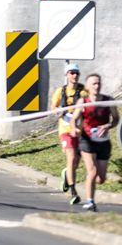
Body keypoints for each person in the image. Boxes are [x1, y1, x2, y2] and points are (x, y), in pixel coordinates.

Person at [70, 73, 119, 212]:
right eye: (93, 84)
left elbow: (116, 119)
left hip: (103, 142)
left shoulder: (108, 101)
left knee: (101, 179)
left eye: (98, 83)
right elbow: (74, 119)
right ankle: (90, 201)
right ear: (87, 87)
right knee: (92, 171)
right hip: (87, 140)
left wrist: (108, 126)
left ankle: (91, 187)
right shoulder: (83, 102)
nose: (97, 86)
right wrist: (74, 129)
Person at [50, 63, 85, 205]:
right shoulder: (60, 91)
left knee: (76, 162)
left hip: (80, 131)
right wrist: (57, 111)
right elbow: (53, 107)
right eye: (71, 73)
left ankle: (66, 174)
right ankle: (73, 191)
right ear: (66, 75)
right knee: (71, 159)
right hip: (65, 130)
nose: (74, 75)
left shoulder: (83, 91)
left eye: (76, 73)